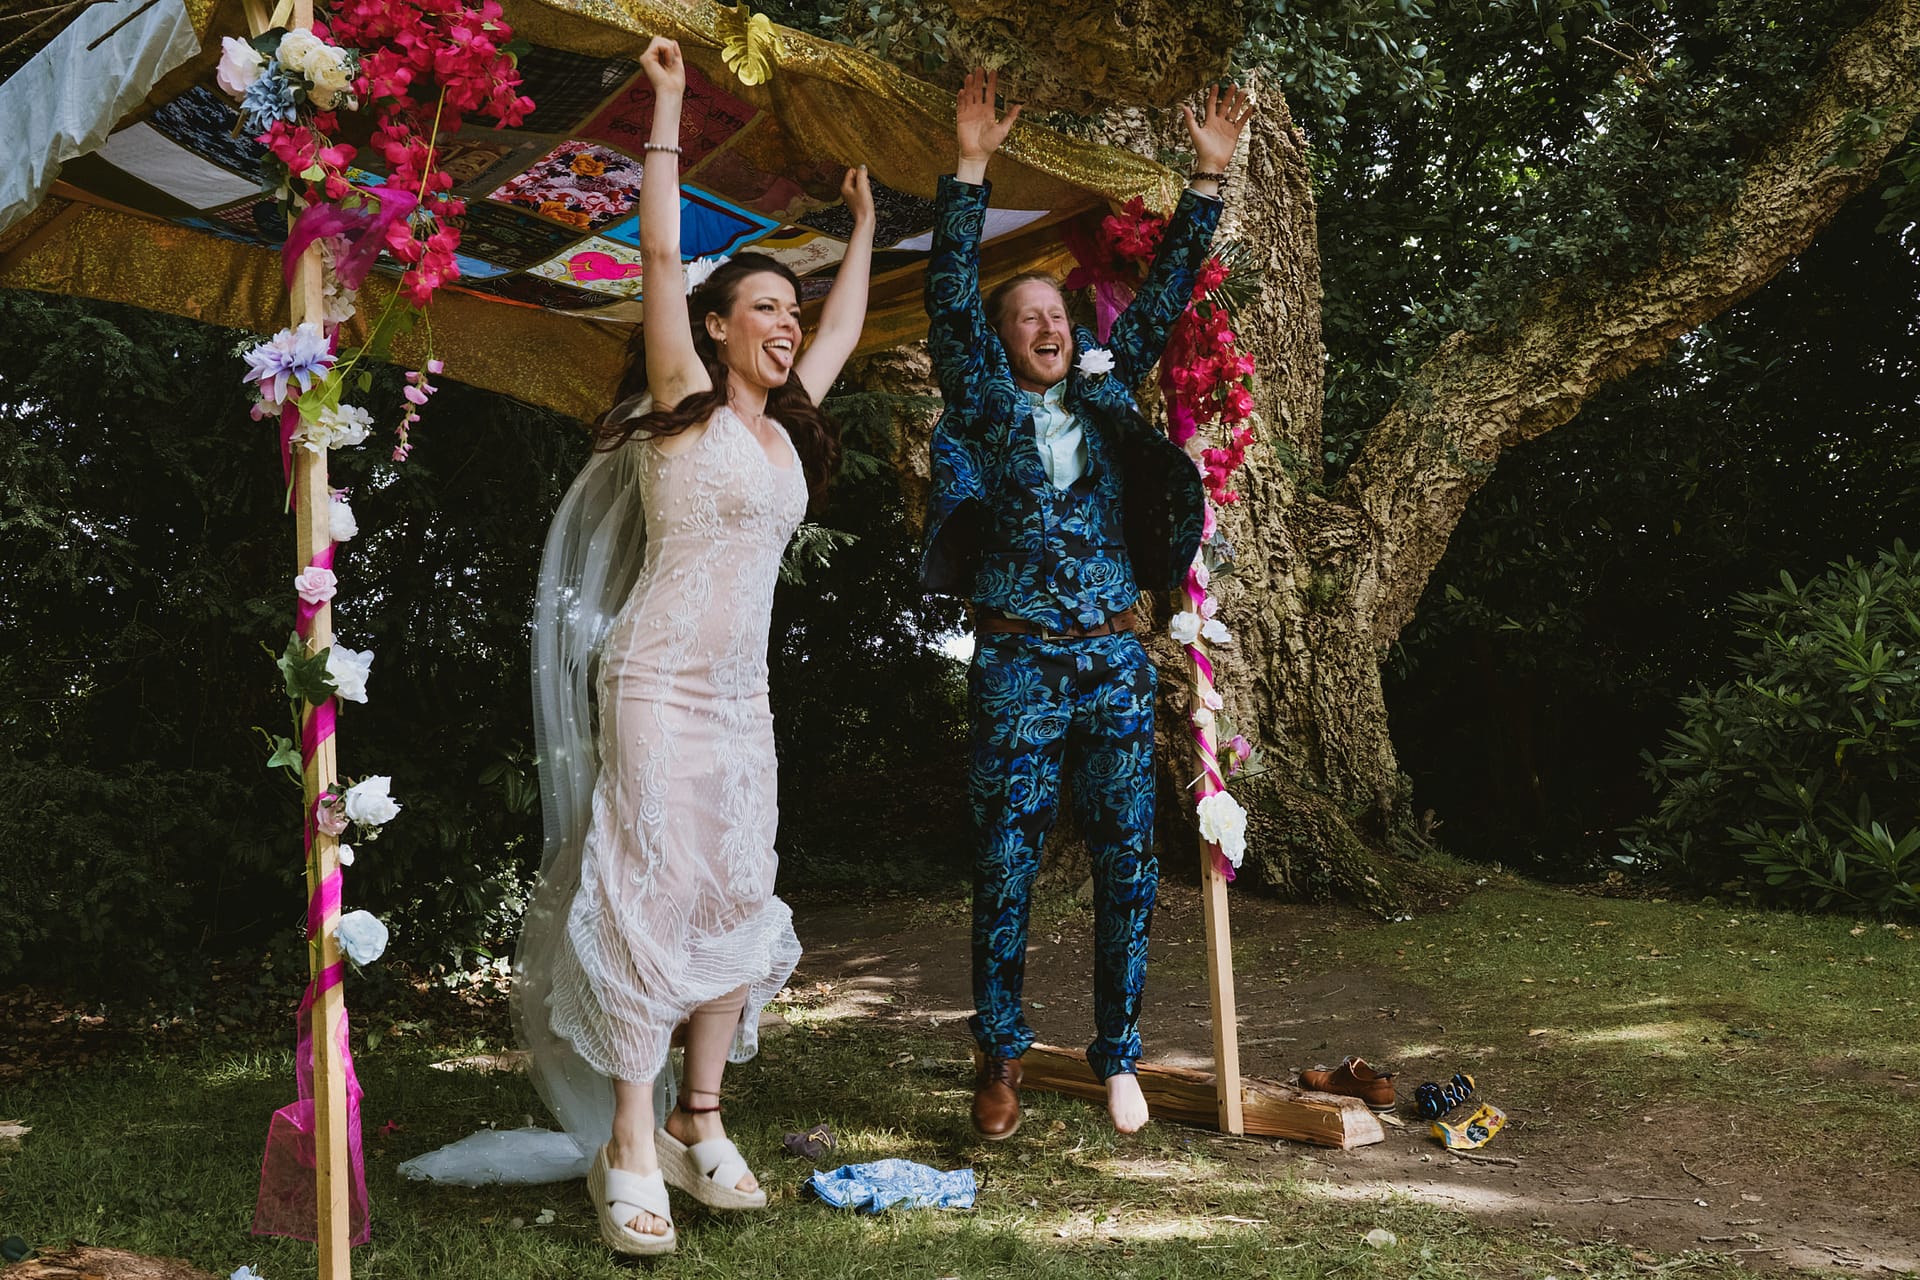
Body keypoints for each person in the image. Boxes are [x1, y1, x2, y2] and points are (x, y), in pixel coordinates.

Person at [514, 36, 875, 1255]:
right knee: (652, 884)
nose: (787, 323)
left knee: (736, 884)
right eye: (765, 308)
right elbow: (662, 252)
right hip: (655, 680)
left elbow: (845, 326)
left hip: (740, 696)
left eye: (793, 310)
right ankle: (631, 1131)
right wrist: (666, 107)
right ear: (717, 328)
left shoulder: (789, 434)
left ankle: (702, 1117)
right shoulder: (686, 405)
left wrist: (864, 231)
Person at [921, 68, 1252, 1138]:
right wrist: (968, 166)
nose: (1044, 325)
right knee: (1005, 862)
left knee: (1126, 857)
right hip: (1017, 662)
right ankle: (1001, 1058)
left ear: (1075, 330)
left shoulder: (1110, 395)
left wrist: (1207, 178)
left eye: (1056, 312)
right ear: (1003, 339)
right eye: (1023, 316)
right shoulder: (979, 401)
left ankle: (1120, 1054)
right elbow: (943, 299)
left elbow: (1162, 293)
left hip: (1113, 658)